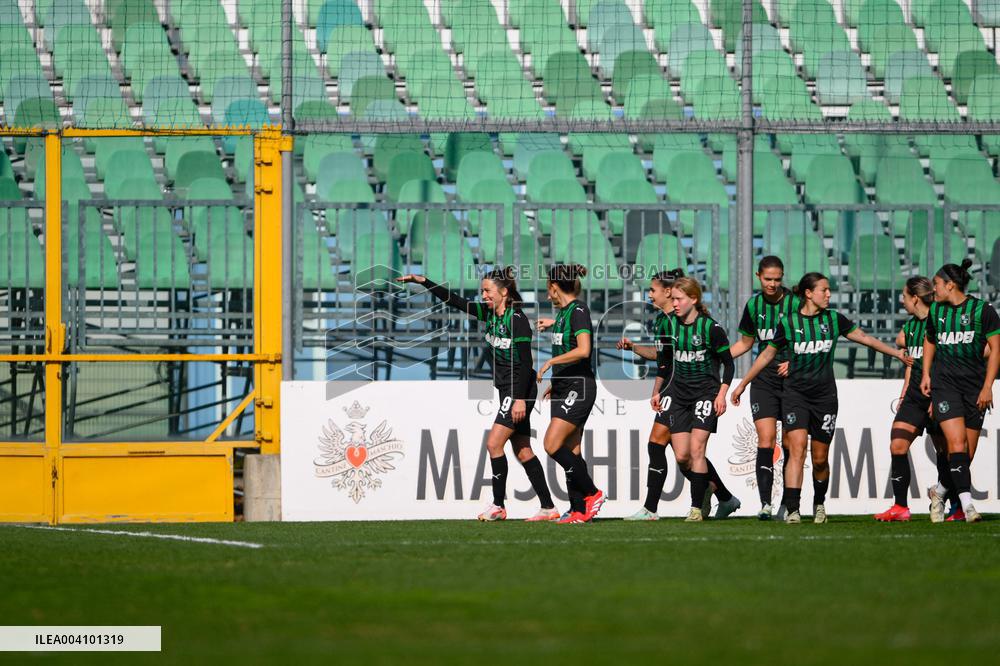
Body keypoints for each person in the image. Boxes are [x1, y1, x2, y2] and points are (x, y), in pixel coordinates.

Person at [731, 272, 906, 524]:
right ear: (808, 293)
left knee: (820, 459)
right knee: (797, 448)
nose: (828, 294)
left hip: (824, 398)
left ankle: (819, 503)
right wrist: (743, 384)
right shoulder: (789, 323)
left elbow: (865, 339)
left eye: (828, 290)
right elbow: (767, 355)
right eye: (823, 290)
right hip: (794, 395)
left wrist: (897, 354)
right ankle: (792, 509)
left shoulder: (834, 320)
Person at [396, 268, 559, 522]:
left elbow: (526, 364)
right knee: (524, 450)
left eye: (487, 291)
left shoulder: (516, 320)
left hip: (520, 389)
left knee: (494, 443)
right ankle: (549, 508)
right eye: (482, 290)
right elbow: (456, 301)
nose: (483, 295)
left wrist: (518, 399)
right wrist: (423, 281)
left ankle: (497, 506)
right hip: (509, 389)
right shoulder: (490, 314)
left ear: (503, 292)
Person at [920, 259, 1000, 523]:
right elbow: (930, 340)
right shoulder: (935, 312)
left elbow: (996, 349)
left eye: (937, 285)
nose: (934, 290)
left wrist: (988, 386)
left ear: (950, 285)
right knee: (956, 444)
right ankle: (968, 506)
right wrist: (926, 373)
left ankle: (939, 492)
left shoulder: (983, 311)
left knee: (965, 455)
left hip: (975, 388)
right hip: (946, 386)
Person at [659, 277, 739, 522]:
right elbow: (665, 363)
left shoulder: (710, 328)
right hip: (679, 395)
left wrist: (722, 394)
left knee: (697, 449)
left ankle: (696, 508)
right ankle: (713, 492)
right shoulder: (669, 325)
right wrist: (658, 391)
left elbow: (728, 364)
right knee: (682, 456)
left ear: (693, 299)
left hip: (705, 393)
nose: (674, 303)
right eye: (672, 299)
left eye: (679, 299)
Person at [728, 256, 799, 520]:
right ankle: (766, 504)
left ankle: (789, 503)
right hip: (764, 380)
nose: (772, 284)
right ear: (758, 276)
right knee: (766, 439)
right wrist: (720, 357)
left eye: (777, 279)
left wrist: (793, 361)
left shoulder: (794, 303)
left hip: (793, 380)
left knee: (792, 442)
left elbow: (807, 338)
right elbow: (746, 344)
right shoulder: (754, 305)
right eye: (768, 279)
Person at [536, 265, 606, 524]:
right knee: (571, 450)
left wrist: (550, 364)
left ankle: (592, 493)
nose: (547, 296)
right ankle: (578, 510)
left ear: (555, 287)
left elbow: (584, 350)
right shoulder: (565, 313)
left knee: (552, 444)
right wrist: (557, 381)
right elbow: (568, 331)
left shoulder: (578, 310)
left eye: (548, 290)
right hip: (565, 385)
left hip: (579, 386)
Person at [875, 277, 942, 522]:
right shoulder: (912, 327)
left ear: (915, 298)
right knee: (897, 445)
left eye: (904, 296)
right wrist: (904, 393)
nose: (902, 301)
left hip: (939, 395)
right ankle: (900, 507)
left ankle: (948, 500)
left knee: (944, 453)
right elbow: (911, 363)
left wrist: (940, 395)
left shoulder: (939, 323)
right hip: (914, 397)